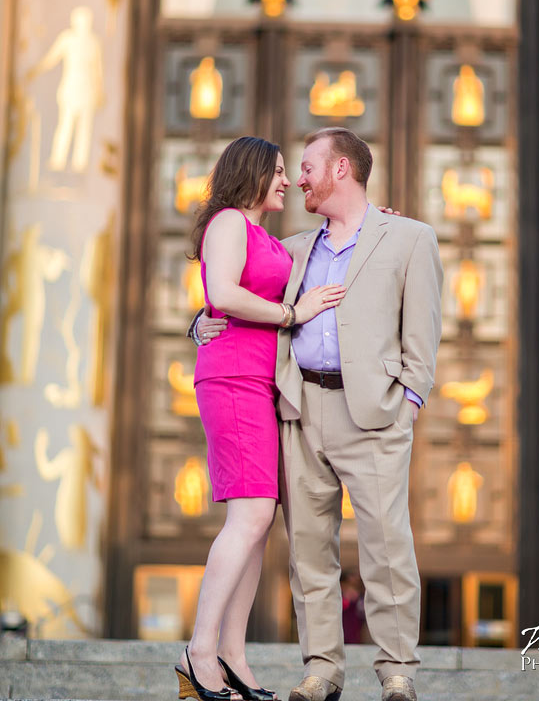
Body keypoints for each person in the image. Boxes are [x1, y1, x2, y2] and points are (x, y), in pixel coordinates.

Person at [197, 128, 443, 701]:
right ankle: (321, 669)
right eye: (290, 169)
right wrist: (198, 321)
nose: (296, 177)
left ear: (341, 170)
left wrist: (408, 402)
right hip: (299, 409)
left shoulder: (408, 237)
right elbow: (233, 288)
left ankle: (397, 671)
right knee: (309, 550)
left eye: (305, 166)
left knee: (386, 546)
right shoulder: (296, 248)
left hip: (375, 415)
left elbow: (424, 330)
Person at [177, 136, 346, 701]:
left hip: (259, 384)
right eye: (277, 171)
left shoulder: (264, 237)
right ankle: (200, 650)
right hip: (231, 380)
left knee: (258, 521)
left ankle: (231, 654)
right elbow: (222, 292)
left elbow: (311, 250)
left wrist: (375, 223)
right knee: (248, 520)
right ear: (250, 173)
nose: (286, 181)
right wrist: (291, 313)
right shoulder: (227, 221)